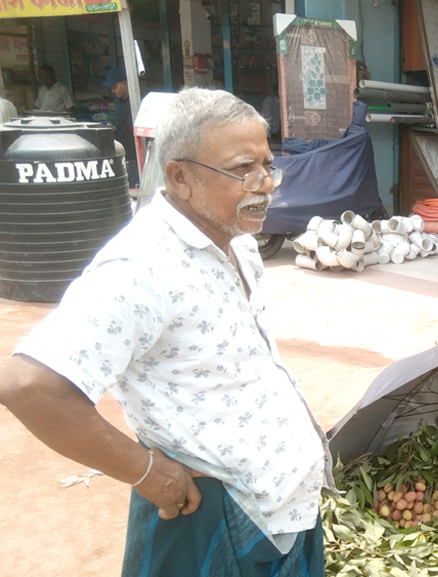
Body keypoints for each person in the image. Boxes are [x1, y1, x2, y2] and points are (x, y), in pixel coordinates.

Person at [0, 87, 332, 577]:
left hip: (286, 509)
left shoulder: (237, 242)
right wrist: (150, 474)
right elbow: (28, 385)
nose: (265, 184)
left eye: (268, 164)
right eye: (243, 168)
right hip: (221, 514)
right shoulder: (140, 268)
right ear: (180, 176)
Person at [103, 66, 140, 187]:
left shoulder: (135, 103)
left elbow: (129, 130)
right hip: (125, 156)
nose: (113, 91)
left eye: (114, 87)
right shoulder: (123, 102)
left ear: (124, 83)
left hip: (133, 158)